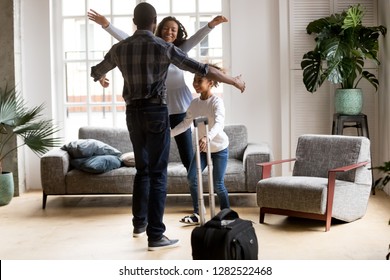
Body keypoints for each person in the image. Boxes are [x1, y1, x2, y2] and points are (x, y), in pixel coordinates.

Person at [90, 2, 245, 251]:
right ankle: (155, 236)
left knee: (142, 170)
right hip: (156, 113)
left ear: (134, 21)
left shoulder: (120, 48)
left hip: (132, 114)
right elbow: (202, 69)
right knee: (158, 173)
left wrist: (101, 78)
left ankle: (139, 224)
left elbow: (96, 70)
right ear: (154, 23)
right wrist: (233, 81)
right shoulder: (162, 47)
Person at [88, 9, 227, 171]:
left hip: (181, 109)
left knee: (188, 157)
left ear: (177, 34)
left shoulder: (178, 51)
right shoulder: (154, 48)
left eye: (173, 30)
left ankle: (196, 192)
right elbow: (125, 40)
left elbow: (196, 39)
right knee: (154, 159)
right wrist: (106, 25)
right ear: (158, 29)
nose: (169, 32)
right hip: (158, 110)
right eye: (166, 28)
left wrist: (210, 25)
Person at [170, 64, 230, 225]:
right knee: (191, 178)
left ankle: (227, 214)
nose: (195, 84)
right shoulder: (194, 104)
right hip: (203, 150)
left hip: (219, 149)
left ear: (210, 82)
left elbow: (219, 124)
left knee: (218, 184)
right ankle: (198, 213)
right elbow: (185, 124)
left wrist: (207, 137)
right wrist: (167, 135)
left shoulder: (217, 102)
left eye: (199, 80)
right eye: (194, 80)